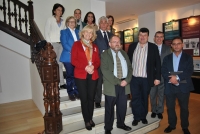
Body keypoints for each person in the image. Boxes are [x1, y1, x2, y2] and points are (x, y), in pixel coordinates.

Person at [127, 27, 161, 126]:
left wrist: (157, 77)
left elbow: (157, 64)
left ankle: (143, 116)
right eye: (141, 35)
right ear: (138, 36)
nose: (142, 37)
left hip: (146, 79)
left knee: (144, 98)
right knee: (135, 98)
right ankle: (136, 117)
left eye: (144, 35)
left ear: (148, 37)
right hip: (134, 78)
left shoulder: (153, 47)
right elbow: (128, 62)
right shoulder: (132, 46)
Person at [162, 36, 194, 134]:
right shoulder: (167, 58)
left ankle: (185, 126)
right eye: (174, 44)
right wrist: (171, 78)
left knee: (184, 108)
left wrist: (177, 78)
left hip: (183, 87)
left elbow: (189, 71)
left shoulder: (188, 57)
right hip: (170, 86)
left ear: (182, 45)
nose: (176, 46)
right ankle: (172, 125)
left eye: (178, 43)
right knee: (170, 107)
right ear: (171, 46)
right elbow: (163, 71)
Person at [71, 25, 100, 131]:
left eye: (91, 33)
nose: (88, 34)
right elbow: (74, 60)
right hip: (81, 75)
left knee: (91, 98)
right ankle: (86, 120)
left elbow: (97, 61)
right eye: (86, 32)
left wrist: (93, 66)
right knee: (84, 99)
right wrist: (85, 67)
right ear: (83, 33)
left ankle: (90, 118)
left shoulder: (95, 46)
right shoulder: (76, 45)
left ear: (93, 35)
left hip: (93, 74)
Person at [101, 35, 132, 134]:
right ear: (109, 44)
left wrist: (127, 80)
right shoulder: (105, 54)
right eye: (114, 42)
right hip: (112, 84)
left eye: (118, 42)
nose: (117, 43)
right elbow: (105, 71)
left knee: (122, 106)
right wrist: (119, 82)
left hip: (124, 84)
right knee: (109, 108)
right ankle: (108, 128)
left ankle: (121, 124)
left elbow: (130, 68)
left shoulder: (124, 53)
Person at [44, 3, 66, 89]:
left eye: (61, 10)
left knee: (60, 63)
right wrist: (49, 44)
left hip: (61, 44)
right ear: (54, 11)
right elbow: (46, 32)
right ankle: (55, 82)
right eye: (58, 10)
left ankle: (61, 83)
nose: (60, 11)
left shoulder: (63, 21)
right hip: (53, 44)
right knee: (54, 64)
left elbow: (64, 34)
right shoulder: (50, 19)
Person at [150, 31, 171, 119]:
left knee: (162, 95)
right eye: (157, 36)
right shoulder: (150, 48)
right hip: (152, 76)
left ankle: (160, 111)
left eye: (161, 37)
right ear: (154, 38)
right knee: (152, 94)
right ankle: (154, 110)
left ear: (163, 38)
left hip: (163, 76)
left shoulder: (168, 49)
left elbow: (169, 62)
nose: (159, 38)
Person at [94, 16, 113, 108]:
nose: (104, 24)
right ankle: (97, 100)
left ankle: (109, 98)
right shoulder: (95, 34)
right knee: (98, 82)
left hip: (109, 63)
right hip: (99, 62)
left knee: (109, 81)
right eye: (102, 22)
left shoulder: (111, 35)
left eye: (105, 22)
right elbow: (93, 48)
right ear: (99, 24)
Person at [60, 16, 79, 101]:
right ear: (67, 23)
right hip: (68, 57)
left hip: (77, 57)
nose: (72, 23)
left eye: (73, 22)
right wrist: (74, 51)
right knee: (70, 75)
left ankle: (76, 91)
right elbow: (64, 44)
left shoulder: (78, 32)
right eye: (70, 22)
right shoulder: (64, 32)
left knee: (76, 75)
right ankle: (70, 92)